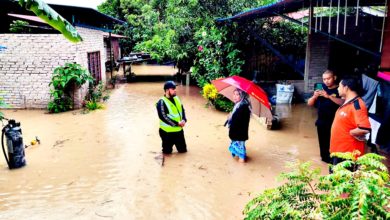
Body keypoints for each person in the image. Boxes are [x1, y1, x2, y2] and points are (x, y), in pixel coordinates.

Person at [330, 76, 371, 168]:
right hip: (338, 151)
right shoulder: (348, 102)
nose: (337, 88)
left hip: (347, 154)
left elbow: (365, 128)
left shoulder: (357, 105)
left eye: (339, 86)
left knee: (344, 180)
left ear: (346, 87)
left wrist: (350, 133)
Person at [307, 70, 343, 163]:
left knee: (334, 143)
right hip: (321, 121)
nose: (326, 81)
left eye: (328, 78)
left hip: (335, 122)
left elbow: (343, 102)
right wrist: (314, 96)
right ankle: (325, 160)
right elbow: (309, 103)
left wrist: (328, 96)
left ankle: (334, 161)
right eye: (324, 79)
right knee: (323, 143)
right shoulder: (321, 88)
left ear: (334, 78)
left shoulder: (340, 89)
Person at [156, 81, 187, 155]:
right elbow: (163, 117)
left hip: (179, 131)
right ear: (167, 90)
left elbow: (182, 110)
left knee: (183, 151)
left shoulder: (177, 98)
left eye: (175, 88)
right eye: (173, 88)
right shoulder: (161, 102)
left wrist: (184, 119)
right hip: (167, 133)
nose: (175, 90)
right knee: (167, 153)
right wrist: (177, 123)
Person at [225, 89, 251, 163]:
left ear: (242, 95)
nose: (235, 96)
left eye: (237, 94)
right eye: (234, 94)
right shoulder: (239, 105)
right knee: (239, 150)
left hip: (239, 134)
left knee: (241, 156)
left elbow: (239, 120)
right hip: (238, 133)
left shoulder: (243, 107)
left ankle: (241, 169)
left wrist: (230, 117)